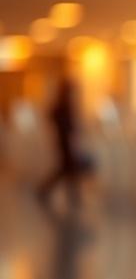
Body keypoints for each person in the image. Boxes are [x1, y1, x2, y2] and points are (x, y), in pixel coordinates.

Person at [35, 76, 84, 209]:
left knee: (66, 169)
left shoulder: (65, 103)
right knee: (65, 169)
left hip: (65, 140)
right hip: (64, 141)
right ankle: (48, 191)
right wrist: (64, 128)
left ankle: (71, 196)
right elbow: (55, 117)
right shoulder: (63, 104)